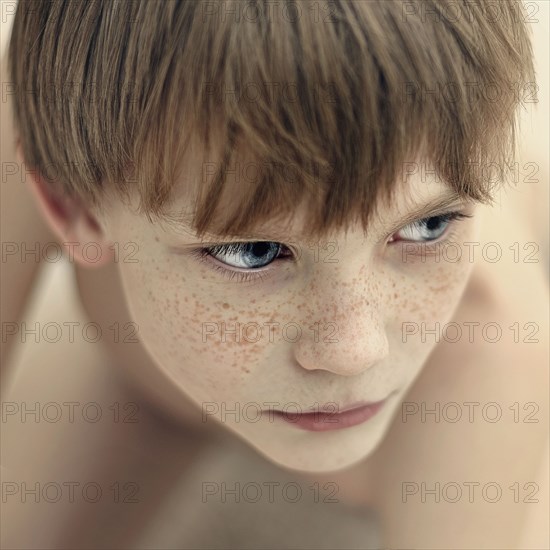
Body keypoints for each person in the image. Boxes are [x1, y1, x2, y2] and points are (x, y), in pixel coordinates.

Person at [1, 0, 548, 548]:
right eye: (255, 252)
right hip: (157, 388)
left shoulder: (488, 362)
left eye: (429, 226)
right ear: (74, 207)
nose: (353, 350)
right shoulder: (56, 106)